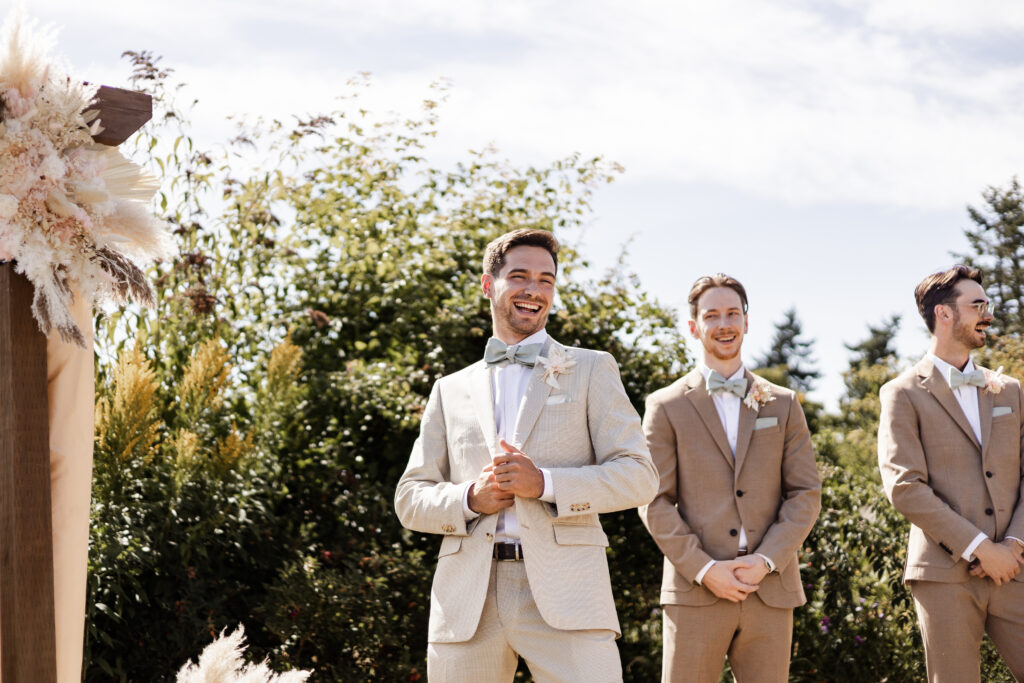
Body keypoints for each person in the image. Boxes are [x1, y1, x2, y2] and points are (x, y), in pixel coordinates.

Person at [395, 228, 658, 682]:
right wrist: (468, 500)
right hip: (466, 601)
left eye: (546, 280)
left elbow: (640, 476)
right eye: (519, 276)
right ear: (487, 285)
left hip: (569, 592)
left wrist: (547, 485)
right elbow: (409, 497)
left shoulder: (593, 368)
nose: (534, 290)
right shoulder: (449, 389)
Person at [639, 273, 820, 683]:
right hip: (695, 589)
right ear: (694, 326)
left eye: (733, 314)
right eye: (712, 315)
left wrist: (767, 560)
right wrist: (705, 569)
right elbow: (653, 500)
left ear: (747, 321)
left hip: (770, 589)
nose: (724, 324)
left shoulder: (784, 403)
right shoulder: (665, 406)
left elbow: (805, 493)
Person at [877, 265, 1024, 682]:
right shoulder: (901, 393)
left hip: (1016, 567)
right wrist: (980, 548)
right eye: (977, 305)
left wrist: (1011, 544)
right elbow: (904, 486)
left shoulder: (1009, 389)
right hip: (944, 574)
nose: (988, 314)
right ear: (944, 314)